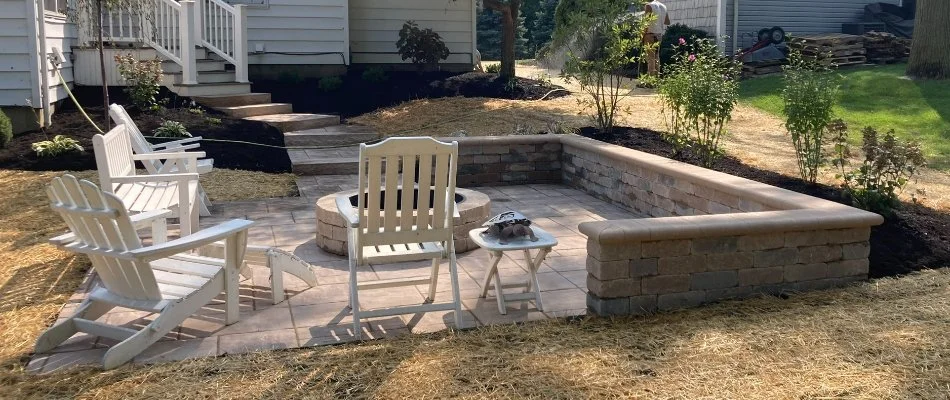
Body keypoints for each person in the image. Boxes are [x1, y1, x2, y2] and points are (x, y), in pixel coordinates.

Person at [641, 0, 670, 76]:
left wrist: (641, 36)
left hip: (649, 34)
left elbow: (646, 23)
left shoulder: (649, 6)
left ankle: (651, 78)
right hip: (659, 35)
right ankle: (657, 78)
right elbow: (667, 22)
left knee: (650, 58)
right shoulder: (663, 6)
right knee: (656, 57)